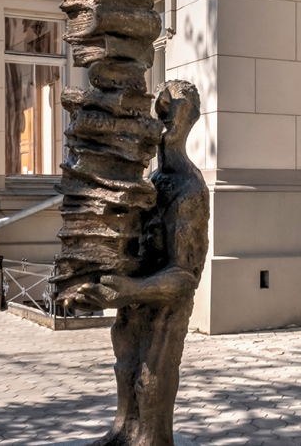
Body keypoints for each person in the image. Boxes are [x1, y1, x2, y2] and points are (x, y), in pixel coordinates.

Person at [62, 81, 210, 446]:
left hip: (164, 314)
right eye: (160, 106)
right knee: (126, 372)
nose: (161, 114)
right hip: (133, 306)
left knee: (150, 383)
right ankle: (122, 436)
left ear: (190, 119)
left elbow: (185, 277)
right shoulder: (152, 183)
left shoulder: (189, 189)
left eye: (172, 108)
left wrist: (133, 289)